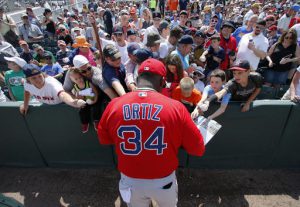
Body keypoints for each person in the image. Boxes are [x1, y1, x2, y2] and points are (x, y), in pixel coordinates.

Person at [97, 58, 205, 207]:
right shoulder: (176, 107)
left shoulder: (114, 105)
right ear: (162, 81)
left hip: (130, 179)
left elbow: (104, 139)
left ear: (137, 78)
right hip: (163, 181)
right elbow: (197, 149)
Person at [19, 64, 86, 115]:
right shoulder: (27, 84)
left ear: (43, 74)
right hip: (46, 106)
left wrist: (74, 102)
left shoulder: (51, 84)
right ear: (28, 79)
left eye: (39, 76)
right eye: (33, 78)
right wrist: (25, 105)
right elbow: (27, 92)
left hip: (62, 105)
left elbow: (62, 94)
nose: (38, 80)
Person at [69, 68, 99, 133]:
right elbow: (76, 97)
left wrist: (95, 100)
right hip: (85, 102)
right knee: (82, 111)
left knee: (95, 109)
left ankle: (96, 121)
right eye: (76, 79)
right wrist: (78, 99)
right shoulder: (75, 87)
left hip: (93, 100)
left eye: (80, 77)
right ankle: (85, 123)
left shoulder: (88, 83)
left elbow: (95, 91)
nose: (79, 80)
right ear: (72, 80)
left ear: (82, 76)